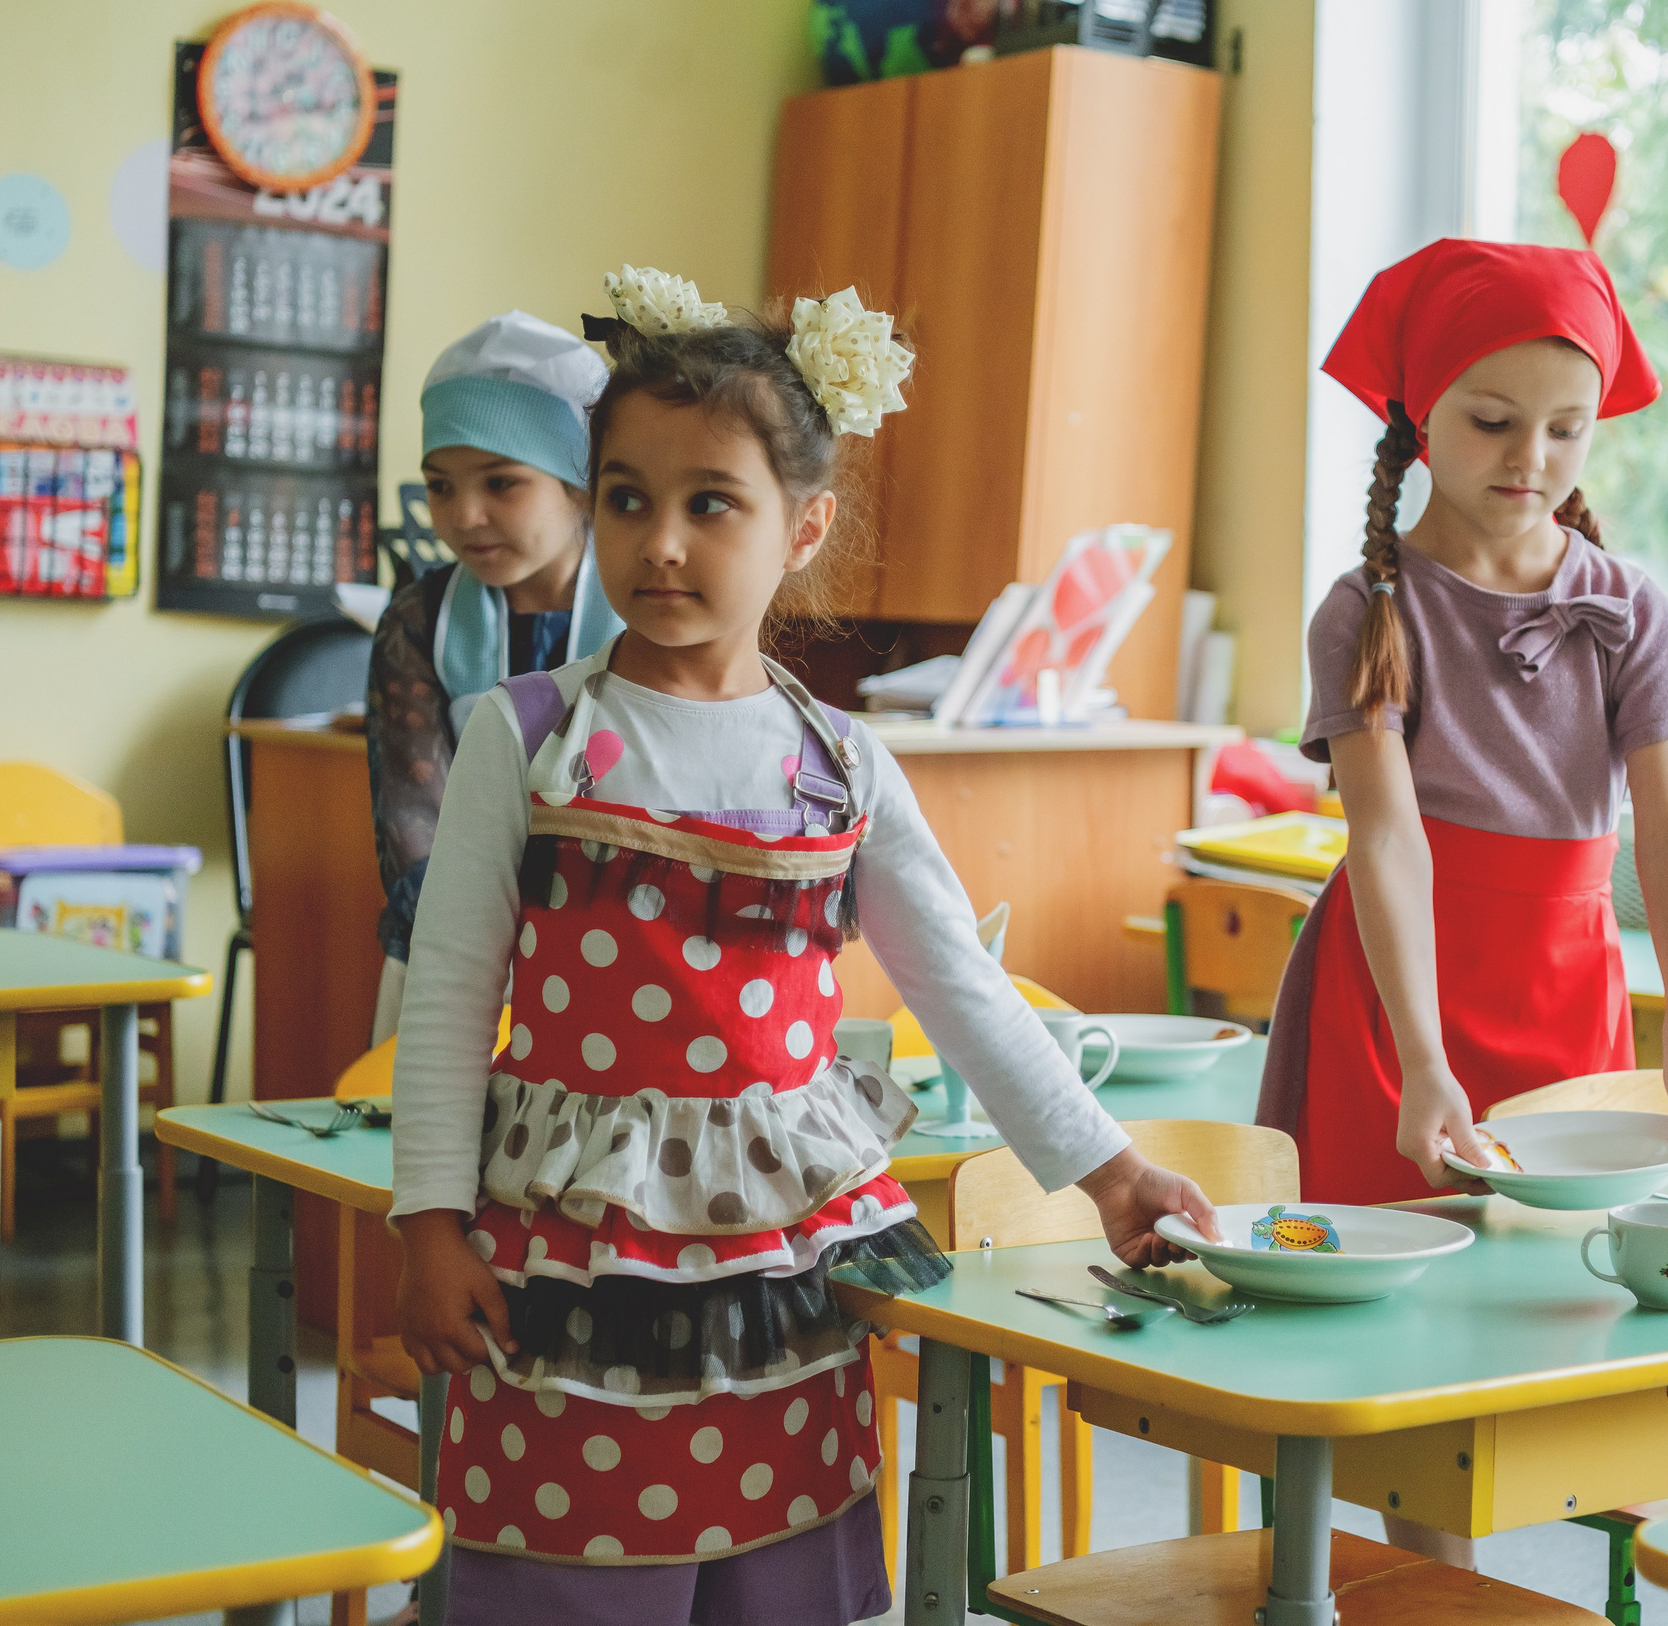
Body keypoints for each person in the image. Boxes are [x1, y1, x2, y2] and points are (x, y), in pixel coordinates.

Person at [387, 266, 1216, 1625]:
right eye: (626, 498)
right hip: (569, 1254)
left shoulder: (843, 762)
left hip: (779, 1266)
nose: (661, 543)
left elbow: (963, 987)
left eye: (711, 502)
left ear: (803, 525)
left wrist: (1111, 1170)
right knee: (563, 1579)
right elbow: (448, 995)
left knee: (771, 1580)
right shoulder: (526, 731)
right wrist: (429, 1224)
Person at [1259, 237, 1668, 1204]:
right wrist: (1423, 1054)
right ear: (1422, 414)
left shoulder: (1632, 611)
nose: (1531, 457)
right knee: (1388, 1249)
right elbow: (1386, 837)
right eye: (1493, 421)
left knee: (1562, 1274)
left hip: (1568, 996)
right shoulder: (1366, 613)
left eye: (1568, 429)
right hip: (1399, 1006)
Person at [366, 312, 625, 1043]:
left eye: (502, 482)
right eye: (440, 486)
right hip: (449, 951)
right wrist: (471, 938)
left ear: (580, 483)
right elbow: (410, 813)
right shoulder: (419, 621)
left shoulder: (646, 616)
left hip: (621, 956)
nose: (465, 516)